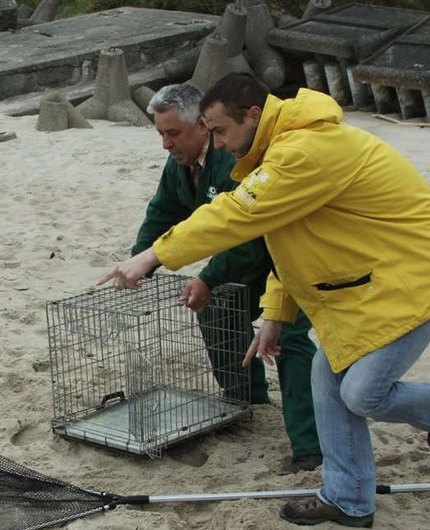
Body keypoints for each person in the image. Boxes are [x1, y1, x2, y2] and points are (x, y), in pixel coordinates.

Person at [98, 73, 430, 528]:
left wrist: (153, 255)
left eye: (220, 131)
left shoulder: (304, 151)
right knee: (328, 384)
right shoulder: (275, 154)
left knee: (361, 393)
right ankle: (349, 499)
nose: (218, 144)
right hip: (362, 288)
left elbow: (239, 214)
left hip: (420, 280)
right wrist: (276, 314)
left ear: (255, 115)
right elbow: (287, 242)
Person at [135, 83, 322, 473]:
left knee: (288, 339)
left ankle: (310, 444)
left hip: (287, 262)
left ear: (203, 127)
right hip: (244, 268)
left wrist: (207, 276)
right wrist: (140, 262)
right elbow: (162, 213)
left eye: (174, 133)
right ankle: (246, 400)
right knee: (216, 308)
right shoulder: (180, 166)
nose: (166, 144)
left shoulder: (232, 159)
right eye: (160, 134)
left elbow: (247, 233)